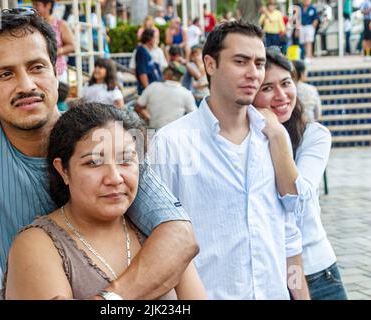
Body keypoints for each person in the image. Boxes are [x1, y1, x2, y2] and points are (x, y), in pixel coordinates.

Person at [0, 9, 199, 300]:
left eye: (37, 67)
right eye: (5, 74)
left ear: (56, 70)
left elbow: (179, 236)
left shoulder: (100, 136)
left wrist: (110, 300)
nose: (26, 85)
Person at [149, 21, 310, 300]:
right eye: (240, 61)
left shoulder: (270, 137)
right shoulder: (172, 142)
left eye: (259, 63)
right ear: (210, 65)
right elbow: (155, 239)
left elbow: (289, 232)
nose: (253, 73)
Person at [4, 102, 207, 300]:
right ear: (63, 170)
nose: (114, 178)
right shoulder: (37, 247)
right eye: (93, 163)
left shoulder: (160, 233)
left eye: (126, 160)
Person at [253, 48, 348, 300]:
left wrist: (275, 133)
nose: (281, 95)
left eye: (286, 83)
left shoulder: (313, 135)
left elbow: (298, 196)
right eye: (267, 88)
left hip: (316, 272)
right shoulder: (243, 142)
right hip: (270, 276)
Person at [135, 61, 195, 130]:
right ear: (182, 77)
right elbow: (194, 116)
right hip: (175, 132)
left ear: (167, 75)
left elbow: (138, 107)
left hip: (154, 131)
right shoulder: (186, 93)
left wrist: (149, 118)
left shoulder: (153, 87)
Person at [32, 0, 75, 83]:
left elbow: (71, 46)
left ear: (48, 5)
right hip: (37, 72)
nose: (34, 8)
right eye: (33, 4)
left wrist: (55, 52)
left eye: (37, 5)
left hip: (59, 71)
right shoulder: (33, 26)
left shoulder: (60, 24)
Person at [135, 28, 162, 95]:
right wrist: (148, 91)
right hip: (148, 91)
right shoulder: (141, 52)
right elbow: (142, 73)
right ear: (149, 38)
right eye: (154, 38)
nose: (156, 40)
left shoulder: (146, 51)